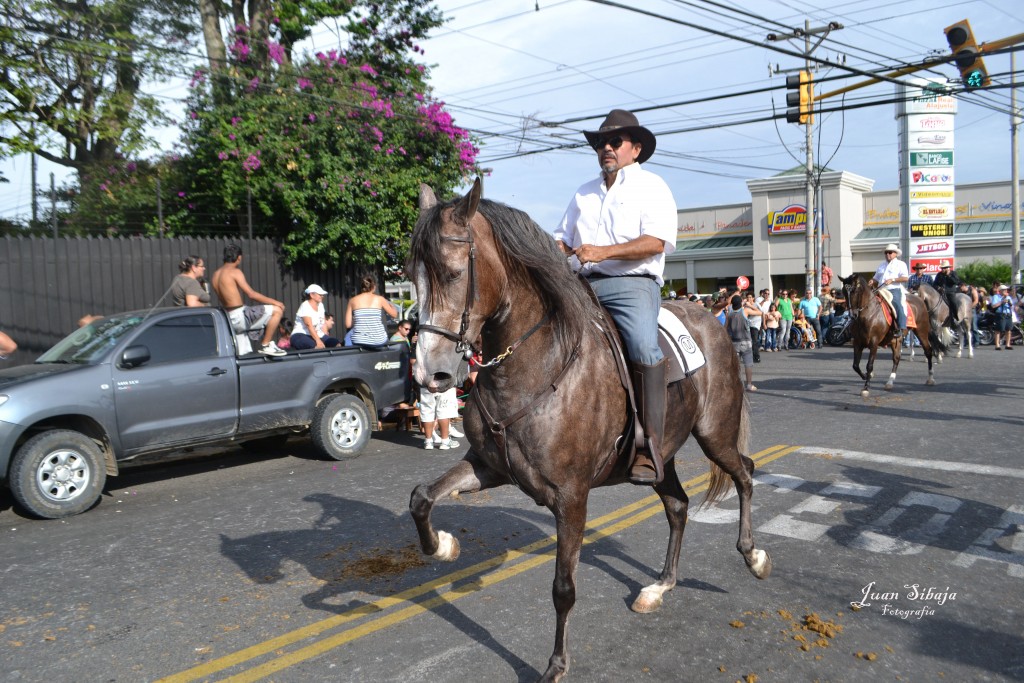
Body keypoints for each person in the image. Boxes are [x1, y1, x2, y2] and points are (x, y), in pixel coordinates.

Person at [553, 109, 677, 485]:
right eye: (600, 143)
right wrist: (554, 251)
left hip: (632, 284)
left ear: (635, 149)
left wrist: (602, 252)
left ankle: (648, 447)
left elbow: (656, 242)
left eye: (614, 141)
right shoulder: (583, 192)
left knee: (642, 346)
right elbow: (562, 239)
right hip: (580, 284)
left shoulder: (652, 186)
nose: (606, 147)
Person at [211, 244, 287, 356]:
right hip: (239, 316)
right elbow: (251, 294)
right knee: (277, 311)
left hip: (228, 317)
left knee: (241, 354)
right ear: (239, 257)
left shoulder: (215, 275)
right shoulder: (235, 272)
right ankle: (266, 345)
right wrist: (276, 302)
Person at [869, 243, 909, 337]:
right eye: (886, 253)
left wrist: (893, 280)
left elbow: (905, 278)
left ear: (895, 253)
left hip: (893, 289)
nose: (887, 254)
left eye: (890, 252)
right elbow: (876, 278)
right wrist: (872, 281)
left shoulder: (901, 264)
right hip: (880, 289)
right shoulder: (881, 265)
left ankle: (901, 327)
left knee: (897, 304)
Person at [290, 284, 340, 350]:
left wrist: (325, 336)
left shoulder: (321, 305)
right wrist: (318, 341)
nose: (322, 296)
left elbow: (322, 322)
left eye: (322, 294)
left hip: (317, 334)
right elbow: (309, 325)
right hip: (300, 335)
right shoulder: (305, 306)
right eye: (320, 294)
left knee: (336, 343)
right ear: (311, 295)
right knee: (315, 345)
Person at [726, 295, 756, 391]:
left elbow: (725, 328)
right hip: (746, 341)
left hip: (734, 342)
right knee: (748, 364)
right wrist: (749, 305)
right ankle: (749, 384)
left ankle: (737, 384)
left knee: (736, 365)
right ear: (740, 303)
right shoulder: (745, 311)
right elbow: (759, 312)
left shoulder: (729, 314)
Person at [419, 386, 460, 450]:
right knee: (444, 410)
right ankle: (445, 442)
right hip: (445, 384)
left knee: (427, 411)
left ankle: (428, 442)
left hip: (425, 384)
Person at [989, 284, 1015, 350]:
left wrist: (1009, 303)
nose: (1006, 291)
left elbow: (1012, 306)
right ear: (1000, 291)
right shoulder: (996, 296)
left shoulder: (1008, 297)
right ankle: (997, 345)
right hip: (1000, 314)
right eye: (1004, 290)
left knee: (1008, 330)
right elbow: (993, 306)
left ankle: (1008, 344)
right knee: (998, 330)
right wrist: (1002, 301)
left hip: (1008, 314)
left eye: (1006, 290)